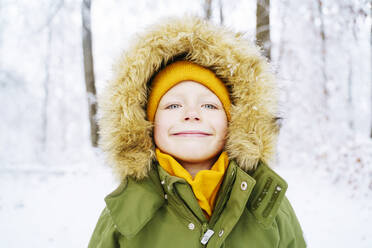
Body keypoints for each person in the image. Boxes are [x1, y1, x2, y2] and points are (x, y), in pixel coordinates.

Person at [88, 15, 306, 247]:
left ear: (236, 121)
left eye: (209, 105)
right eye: (173, 105)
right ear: (146, 122)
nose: (192, 114)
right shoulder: (125, 214)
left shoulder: (267, 207)